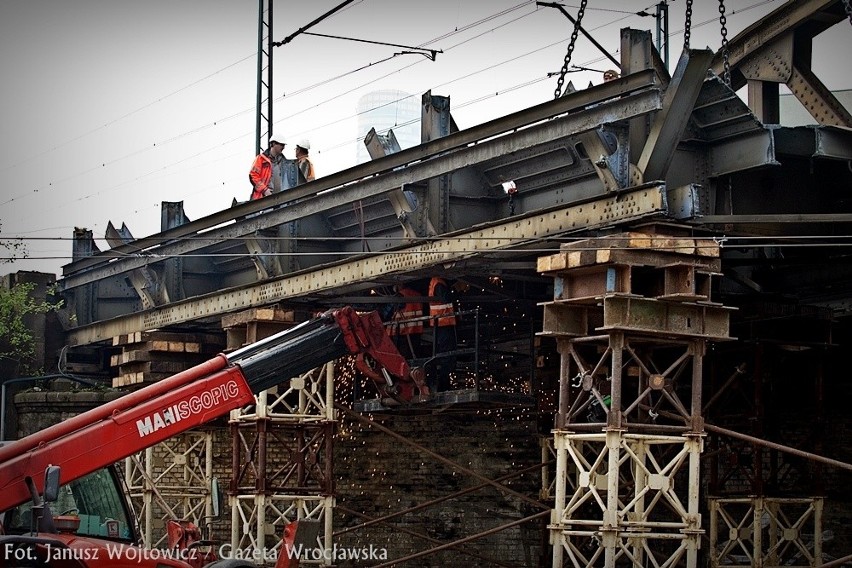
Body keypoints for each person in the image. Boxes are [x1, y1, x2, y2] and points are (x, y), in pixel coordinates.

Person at [428, 276, 457, 393]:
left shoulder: (435, 282)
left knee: (443, 354)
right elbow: (446, 299)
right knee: (446, 354)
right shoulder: (439, 284)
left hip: (441, 323)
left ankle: (442, 383)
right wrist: (456, 290)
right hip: (443, 323)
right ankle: (443, 385)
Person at [389, 284, 424, 360]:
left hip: (403, 331)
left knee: (403, 357)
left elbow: (389, 312)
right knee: (414, 354)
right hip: (416, 330)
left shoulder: (400, 295)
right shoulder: (417, 295)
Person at [249, 133, 287, 200]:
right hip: (263, 199)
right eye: (282, 145)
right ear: (273, 144)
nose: (283, 147)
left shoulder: (284, 161)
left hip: (280, 198)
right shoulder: (261, 159)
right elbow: (253, 175)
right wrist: (264, 190)